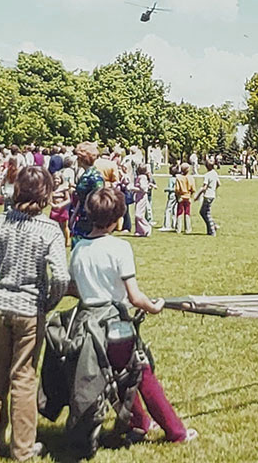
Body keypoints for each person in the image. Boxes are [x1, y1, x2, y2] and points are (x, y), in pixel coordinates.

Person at [69, 188, 198, 444]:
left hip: (88, 328)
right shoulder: (120, 248)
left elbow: (73, 289)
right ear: (118, 217)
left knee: (117, 378)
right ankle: (176, 431)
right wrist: (154, 306)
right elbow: (135, 296)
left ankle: (138, 422)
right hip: (116, 327)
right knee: (142, 374)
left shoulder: (78, 249)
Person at [0, 167, 69, 461]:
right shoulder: (49, 229)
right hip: (30, 310)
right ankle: (22, 449)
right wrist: (49, 302)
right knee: (23, 379)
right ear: (46, 194)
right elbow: (61, 276)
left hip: (1, 308)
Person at [69, 142, 105, 245]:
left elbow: (99, 200)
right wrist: (74, 215)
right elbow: (81, 199)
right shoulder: (84, 175)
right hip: (81, 218)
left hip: (91, 221)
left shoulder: (95, 177)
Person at [195, 160, 220, 236]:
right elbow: (219, 183)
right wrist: (214, 189)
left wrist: (197, 195)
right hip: (212, 195)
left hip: (207, 195)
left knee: (204, 212)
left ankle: (212, 229)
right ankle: (212, 227)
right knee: (205, 212)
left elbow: (204, 187)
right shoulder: (215, 173)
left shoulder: (207, 175)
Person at [49, 172, 71, 247]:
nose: (56, 180)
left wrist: (61, 205)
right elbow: (48, 200)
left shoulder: (64, 189)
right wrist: (53, 205)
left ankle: (67, 240)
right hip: (54, 210)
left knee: (64, 226)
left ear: (61, 179)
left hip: (62, 210)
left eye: (57, 179)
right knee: (53, 226)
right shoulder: (51, 189)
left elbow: (68, 200)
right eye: (54, 179)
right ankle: (55, 240)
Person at [174, 162, 196, 234]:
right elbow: (193, 189)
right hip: (188, 196)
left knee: (179, 212)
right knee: (187, 213)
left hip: (181, 196)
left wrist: (178, 195)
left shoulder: (178, 178)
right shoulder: (191, 178)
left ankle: (178, 228)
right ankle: (188, 229)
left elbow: (177, 189)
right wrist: (191, 196)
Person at [132, 165, 152, 237]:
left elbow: (143, 189)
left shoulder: (142, 178)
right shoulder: (140, 177)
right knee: (138, 214)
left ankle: (147, 227)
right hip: (138, 197)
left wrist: (133, 188)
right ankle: (139, 231)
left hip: (142, 197)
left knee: (138, 214)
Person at [159, 164, 179, 232]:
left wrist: (166, 189)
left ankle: (167, 225)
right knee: (175, 210)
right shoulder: (178, 179)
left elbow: (171, 188)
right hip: (177, 195)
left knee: (168, 210)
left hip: (172, 195)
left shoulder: (171, 179)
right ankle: (175, 223)